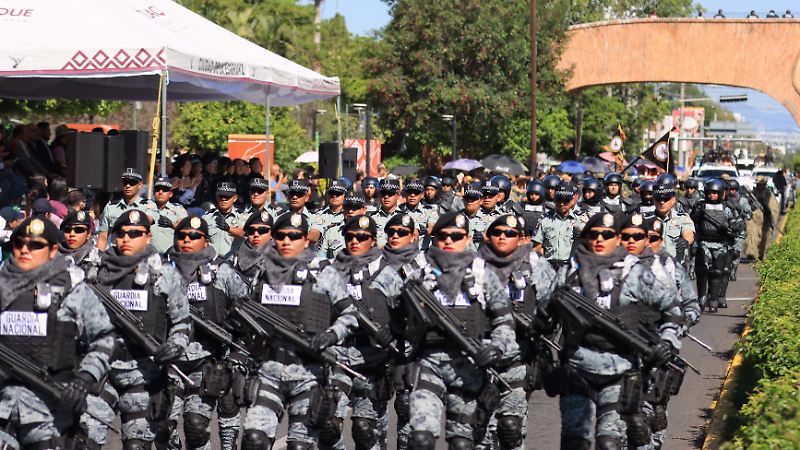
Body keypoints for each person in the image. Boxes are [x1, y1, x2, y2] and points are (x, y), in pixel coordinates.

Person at [552, 212, 682, 450]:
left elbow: (672, 308)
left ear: (617, 239)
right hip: (577, 369)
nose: (600, 239)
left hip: (619, 371)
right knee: (574, 442)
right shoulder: (569, 273)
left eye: (607, 234)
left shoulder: (632, 273)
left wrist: (668, 341)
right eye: (594, 234)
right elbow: (545, 317)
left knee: (609, 442)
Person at [235, 212, 358, 450]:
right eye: (281, 236)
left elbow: (350, 314)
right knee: (253, 440)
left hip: (309, 372)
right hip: (269, 369)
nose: (286, 242)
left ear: (305, 239)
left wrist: (331, 335)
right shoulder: (263, 273)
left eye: (294, 236)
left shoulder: (323, 274)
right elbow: (250, 313)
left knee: (300, 446)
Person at [0, 217, 115, 449]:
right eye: (19, 243)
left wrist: (84, 379)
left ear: (53, 250)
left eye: (35, 245)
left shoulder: (72, 291)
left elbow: (104, 340)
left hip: (49, 411)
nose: (25, 250)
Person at [95, 209, 191, 449]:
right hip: (101, 370)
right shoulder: (96, 274)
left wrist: (175, 345)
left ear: (148, 237)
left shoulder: (164, 275)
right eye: (121, 233)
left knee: (136, 445)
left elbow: (183, 322)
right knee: (84, 438)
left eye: (135, 233)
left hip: (143, 371)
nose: (126, 239)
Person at [477, 214, 556, 450]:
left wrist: (539, 331)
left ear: (521, 239)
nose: (503, 237)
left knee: (511, 429)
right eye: (497, 232)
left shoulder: (536, 265)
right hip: (479, 358)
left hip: (518, 359)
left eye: (510, 233)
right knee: (481, 434)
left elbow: (551, 306)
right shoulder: (473, 265)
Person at [164, 216, 243, 450]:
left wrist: (235, 344)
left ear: (206, 240)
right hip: (168, 360)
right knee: (163, 427)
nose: (187, 240)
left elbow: (245, 310)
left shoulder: (222, 271)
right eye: (182, 236)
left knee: (195, 426)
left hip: (206, 358)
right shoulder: (161, 270)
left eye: (194, 236)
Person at [330, 215, 403, 450]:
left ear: (372, 240)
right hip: (339, 358)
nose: (355, 241)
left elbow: (406, 320)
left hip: (375, 360)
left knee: (364, 430)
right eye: (350, 237)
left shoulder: (388, 275)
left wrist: (393, 338)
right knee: (329, 427)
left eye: (361, 237)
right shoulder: (333, 273)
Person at [690, 179, 743, 312]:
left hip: (721, 244)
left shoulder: (726, 209)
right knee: (702, 271)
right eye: (709, 193)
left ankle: (713, 299)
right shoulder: (700, 206)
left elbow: (736, 223)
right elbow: (691, 220)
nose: (712, 195)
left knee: (717, 272)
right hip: (704, 243)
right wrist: (697, 214)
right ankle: (701, 297)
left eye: (715, 193)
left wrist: (733, 227)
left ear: (720, 193)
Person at [532, 182, 589, 270]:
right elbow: (537, 248)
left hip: (572, 267)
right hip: (548, 267)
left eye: (566, 200)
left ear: (572, 200)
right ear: (554, 199)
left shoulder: (582, 220)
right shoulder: (545, 219)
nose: (562, 203)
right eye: (558, 199)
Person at [97, 168, 157, 249]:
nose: (128, 186)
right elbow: (103, 237)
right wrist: (100, 257)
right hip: (116, 254)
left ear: (140, 185)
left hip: (138, 253)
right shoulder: (111, 207)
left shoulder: (148, 205)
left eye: (132, 183)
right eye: (125, 182)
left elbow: (149, 220)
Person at [653, 175, 695, 266]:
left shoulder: (682, 218)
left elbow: (689, 233)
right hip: (654, 267)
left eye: (666, 199)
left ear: (673, 200)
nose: (662, 202)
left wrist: (685, 241)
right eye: (658, 199)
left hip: (675, 266)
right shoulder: (647, 219)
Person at [204, 182, 247, 258]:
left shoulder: (241, 216)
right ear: (216, 197)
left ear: (235, 198)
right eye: (221, 196)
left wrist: (229, 229)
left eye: (227, 197)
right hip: (212, 262)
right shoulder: (207, 217)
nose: (224, 199)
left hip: (233, 263)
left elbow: (245, 232)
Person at [319, 193, 368, 259]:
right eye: (347, 208)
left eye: (355, 208)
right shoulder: (331, 232)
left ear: (364, 210)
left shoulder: (370, 231)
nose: (350, 211)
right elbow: (321, 257)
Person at [151, 177, 189, 253]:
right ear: (153, 192)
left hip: (170, 256)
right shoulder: (146, 207)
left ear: (170, 194)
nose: (160, 192)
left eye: (164, 189)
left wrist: (172, 225)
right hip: (149, 256)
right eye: (157, 189)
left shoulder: (178, 209)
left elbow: (187, 229)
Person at [726, 180, 752, 280]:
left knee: (736, 252)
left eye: (734, 189)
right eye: (730, 189)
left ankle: (733, 271)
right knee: (727, 252)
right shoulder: (725, 200)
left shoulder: (742, 200)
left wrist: (744, 215)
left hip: (739, 230)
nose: (732, 191)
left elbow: (749, 214)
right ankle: (726, 270)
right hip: (727, 229)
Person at [371, 178, 402, 247]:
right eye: (383, 193)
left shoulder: (405, 218)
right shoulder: (371, 218)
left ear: (397, 195)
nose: (386, 197)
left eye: (390, 194)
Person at [461, 183, 488, 251]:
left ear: (481, 201)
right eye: (467, 198)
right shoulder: (456, 217)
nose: (469, 201)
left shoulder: (489, 219)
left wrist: (486, 238)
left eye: (473, 198)